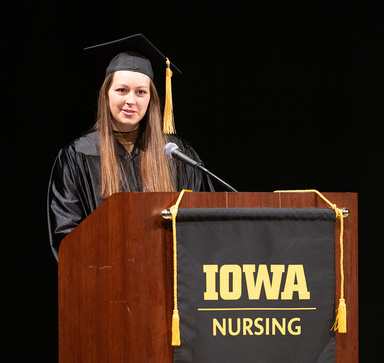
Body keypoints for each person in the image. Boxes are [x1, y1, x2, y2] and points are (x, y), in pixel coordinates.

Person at [47, 34, 214, 261]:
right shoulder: (79, 155)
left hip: (170, 283)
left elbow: (204, 222)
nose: (131, 100)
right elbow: (66, 233)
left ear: (151, 99)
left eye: (140, 92)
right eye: (122, 90)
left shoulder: (177, 155)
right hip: (105, 283)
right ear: (106, 95)